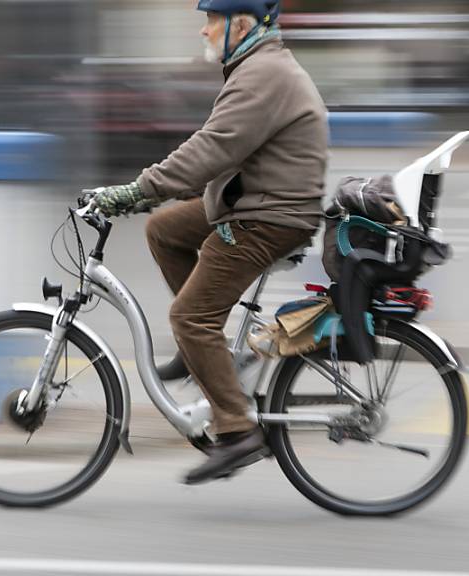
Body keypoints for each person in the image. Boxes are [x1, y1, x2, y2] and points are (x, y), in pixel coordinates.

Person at [84, 0, 329, 484]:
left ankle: (237, 432)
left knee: (189, 315)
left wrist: (139, 189)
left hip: (270, 216)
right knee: (165, 230)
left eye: (210, 20)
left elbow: (213, 148)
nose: (202, 31)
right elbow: (220, 151)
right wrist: (149, 199)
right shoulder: (254, 65)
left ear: (240, 24)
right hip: (257, 201)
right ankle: (205, 349)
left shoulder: (263, 73)